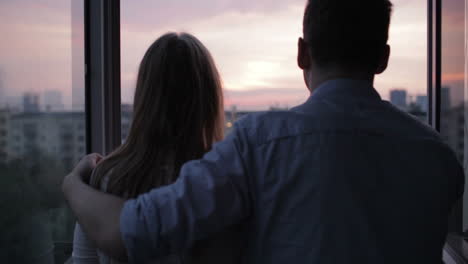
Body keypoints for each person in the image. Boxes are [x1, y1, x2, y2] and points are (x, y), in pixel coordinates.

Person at [63, 0, 465, 263]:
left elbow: (132, 232)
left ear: (302, 53)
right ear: (383, 59)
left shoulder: (259, 146)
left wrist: (74, 185)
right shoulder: (439, 160)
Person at [71, 32, 242, 264]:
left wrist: (73, 183)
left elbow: (84, 259)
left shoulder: (106, 178)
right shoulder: (222, 180)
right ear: (210, 98)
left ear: (144, 97)